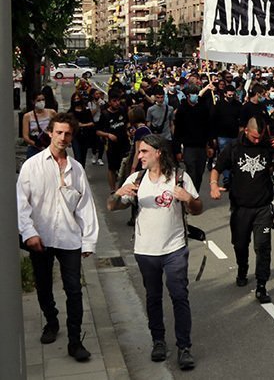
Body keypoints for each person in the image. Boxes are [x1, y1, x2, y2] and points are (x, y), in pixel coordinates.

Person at [109, 135, 201, 370]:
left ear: (158, 152)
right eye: (139, 152)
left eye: (144, 152)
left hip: (174, 248)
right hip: (145, 250)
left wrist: (188, 198)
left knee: (179, 295)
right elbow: (112, 206)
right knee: (153, 297)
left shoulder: (179, 177)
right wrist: (119, 193)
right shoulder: (136, 179)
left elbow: (198, 208)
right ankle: (158, 341)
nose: (139, 156)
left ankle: (184, 347)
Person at [17, 113, 97, 362]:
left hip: (70, 239)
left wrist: (89, 241)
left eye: (68, 133)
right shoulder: (33, 165)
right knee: (43, 285)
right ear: (50, 132)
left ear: (72, 136)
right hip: (40, 238)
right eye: (59, 132)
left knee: (74, 290)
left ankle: (75, 341)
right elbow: (21, 203)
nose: (63, 138)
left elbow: (86, 206)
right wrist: (29, 232)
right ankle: (51, 321)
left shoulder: (77, 169)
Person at [210, 115, 274, 303]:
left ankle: (262, 285)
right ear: (246, 131)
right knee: (240, 244)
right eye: (254, 137)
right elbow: (217, 168)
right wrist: (214, 184)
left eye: (260, 137)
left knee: (262, 247)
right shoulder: (234, 147)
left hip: (262, 207)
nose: (257, 140)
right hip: (240, 208)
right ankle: (242, 268)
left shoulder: (269, 145)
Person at [174, 85, 212, 193]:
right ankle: (190, 195)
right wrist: (177, 150)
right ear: (187, 96)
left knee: (199, 173)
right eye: (192, 94)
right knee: (191, 172)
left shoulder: (203, 108)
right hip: (188, 147)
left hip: (201, 146)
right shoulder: (182, 109)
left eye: (196, 94)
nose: (195, 96)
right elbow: (177, 131)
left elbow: (208, 127)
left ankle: (195, 194)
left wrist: (210, 145)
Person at [97, 90, 129, 192]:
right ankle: (112, 190)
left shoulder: (123, 110)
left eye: (118, 101)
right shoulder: (105, 114)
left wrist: (129, 130)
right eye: (114, 101)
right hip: (111, 146)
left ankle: (123, 187)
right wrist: (108, 135)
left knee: (125, 165)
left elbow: (127, 123)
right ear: (110, 102)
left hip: (124, 143)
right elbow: (97, 131)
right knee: (112, 168)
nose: (117, 103)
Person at [23, 92, 57, 159]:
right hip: (34, 148)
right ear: (33, 102)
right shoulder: (27, 116)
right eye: (38, 100)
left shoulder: (51, 113)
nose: (41, 102)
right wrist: (36, 144)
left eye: (43, 100)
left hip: (49, 146)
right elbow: (25, 136)